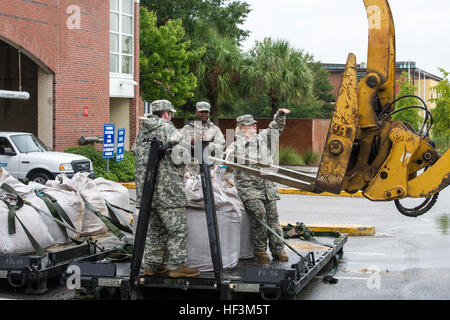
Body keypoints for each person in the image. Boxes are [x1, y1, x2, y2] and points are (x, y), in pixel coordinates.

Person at [132, 99, 200, 278]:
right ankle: (177, 266)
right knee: (177, 229)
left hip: (147, 192)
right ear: (167, 113)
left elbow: (136, 152)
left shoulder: (142, 131)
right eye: (171, 114)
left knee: (155, 228)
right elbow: (181, 158)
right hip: (168, 191)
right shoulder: (169, 128)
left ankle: (153, 265)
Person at [227, 109, 291, 262]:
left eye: (255, 124)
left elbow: (275, 128)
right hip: (249, 189)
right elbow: (225, 164)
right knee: (260, 215)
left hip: (267, 187)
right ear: (243, 128)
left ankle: (278, 249)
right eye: (251, 125)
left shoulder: (263, 139)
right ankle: (260, 249)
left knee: (273, 217)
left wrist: (280, 115)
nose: (255, 126)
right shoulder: (235, 146)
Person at [180, 101, 225, 171]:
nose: (204, 114)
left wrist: (207, 144)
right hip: (191, 170)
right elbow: (178, 147)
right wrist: (190, 143)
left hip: (210, 170)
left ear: (209, 113)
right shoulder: (187, 128)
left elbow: (221, 148)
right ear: (196, 112)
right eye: (201, 112)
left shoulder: (215, 129)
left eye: (206, 112)